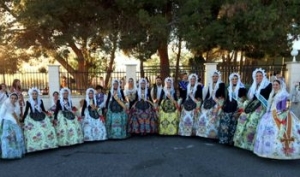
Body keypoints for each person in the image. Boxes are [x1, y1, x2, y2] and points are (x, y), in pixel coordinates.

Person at [254, 79, 300, 159]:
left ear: (280, 85)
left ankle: (279, 151)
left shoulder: (283, 94)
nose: (275, 86)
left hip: (280, 114)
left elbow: (283, 107)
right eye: (274, 85)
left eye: (276, 85)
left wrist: (280, 113)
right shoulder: (272, 93)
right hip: (271, 113)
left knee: (277, 131)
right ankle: (268, 150)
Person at [233, 68, 272, 151]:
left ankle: (252, 145)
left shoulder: (268, 85)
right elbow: (252, 98)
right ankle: (242, 143)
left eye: (260, 76)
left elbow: (270, 98)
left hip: (261, 107)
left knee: (252, 122)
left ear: (263, 76)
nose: (258, 77)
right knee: (242, 118)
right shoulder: (255, 86)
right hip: (253, 105)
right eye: (257, 76)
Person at [22, 88, 58, 152]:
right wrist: (23, 120)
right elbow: (26, 111)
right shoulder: (28, 101)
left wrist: (48, 115)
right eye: (33, 94)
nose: (34, 95)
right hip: (32, 116)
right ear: (31, 94)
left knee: (47, 128)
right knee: (34, 130)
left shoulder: (40, 101)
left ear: (37, 94)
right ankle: (35, 146)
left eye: (35, 94)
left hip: (41, 116)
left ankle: (47, 144)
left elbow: (43, 109)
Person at [218, 73, 247, 145]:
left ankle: (231, 141)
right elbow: (227, 99)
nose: (234, 80)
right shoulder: (229, 88)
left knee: (233, 125)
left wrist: (239, 109)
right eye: (233, 79)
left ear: (238, 79)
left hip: (236, 107)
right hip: (227, 107)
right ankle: (224, 140)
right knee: (224, 123)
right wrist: (223, 106)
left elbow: (242, 99)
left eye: (236, 79)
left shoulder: (242, 88)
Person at [197, 71, 225, 139]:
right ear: (212, 77)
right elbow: (207, 95)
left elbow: (222, 95)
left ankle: (211, 134)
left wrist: (218, 102)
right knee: (203, 114)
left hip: (217, 102)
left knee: (212, 115)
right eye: (213, 76)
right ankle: (203, 133)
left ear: (218, 77)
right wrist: (204, 102)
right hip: (209, 102)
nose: (215, 77)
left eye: (216, 76)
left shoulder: (221, 84)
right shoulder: (210, 84)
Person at [0, 93, 25, 159]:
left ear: (16, 99)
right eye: (12, 98)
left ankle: (16, 153)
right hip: (8, 121)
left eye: (15, 98)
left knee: (17, 137)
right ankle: (8, 154)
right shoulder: (6, 104)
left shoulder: (16, 105)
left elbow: (17, 114)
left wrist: (19, 121)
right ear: (10, 98)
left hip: (14, 121)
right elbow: (5, 114)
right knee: (8, 137)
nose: (13, 99)